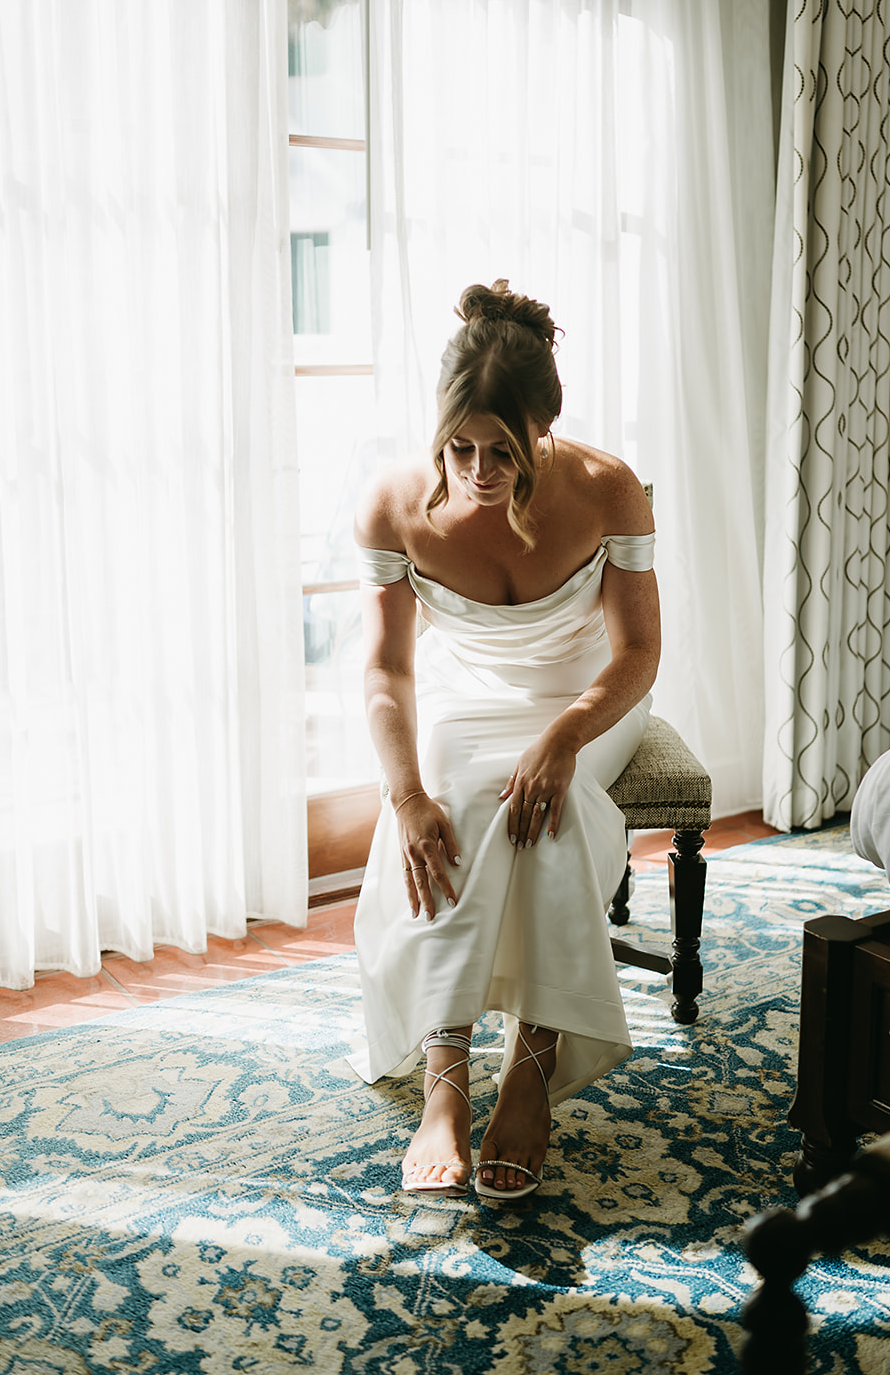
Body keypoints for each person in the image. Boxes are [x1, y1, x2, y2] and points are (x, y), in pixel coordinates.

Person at [351, 279, 660, 1200]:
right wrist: (404, 797)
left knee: (545, 809)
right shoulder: (393, 506)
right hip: (465, 695)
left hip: (587, 697)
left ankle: (531, 1067)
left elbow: (640, 652)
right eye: (460, 448)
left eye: (504, 449)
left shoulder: (609, 491)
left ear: (545, 426)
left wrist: (566, 734)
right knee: (450, 801)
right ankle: (445, 1078)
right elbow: (388, 674)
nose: (479, 472)